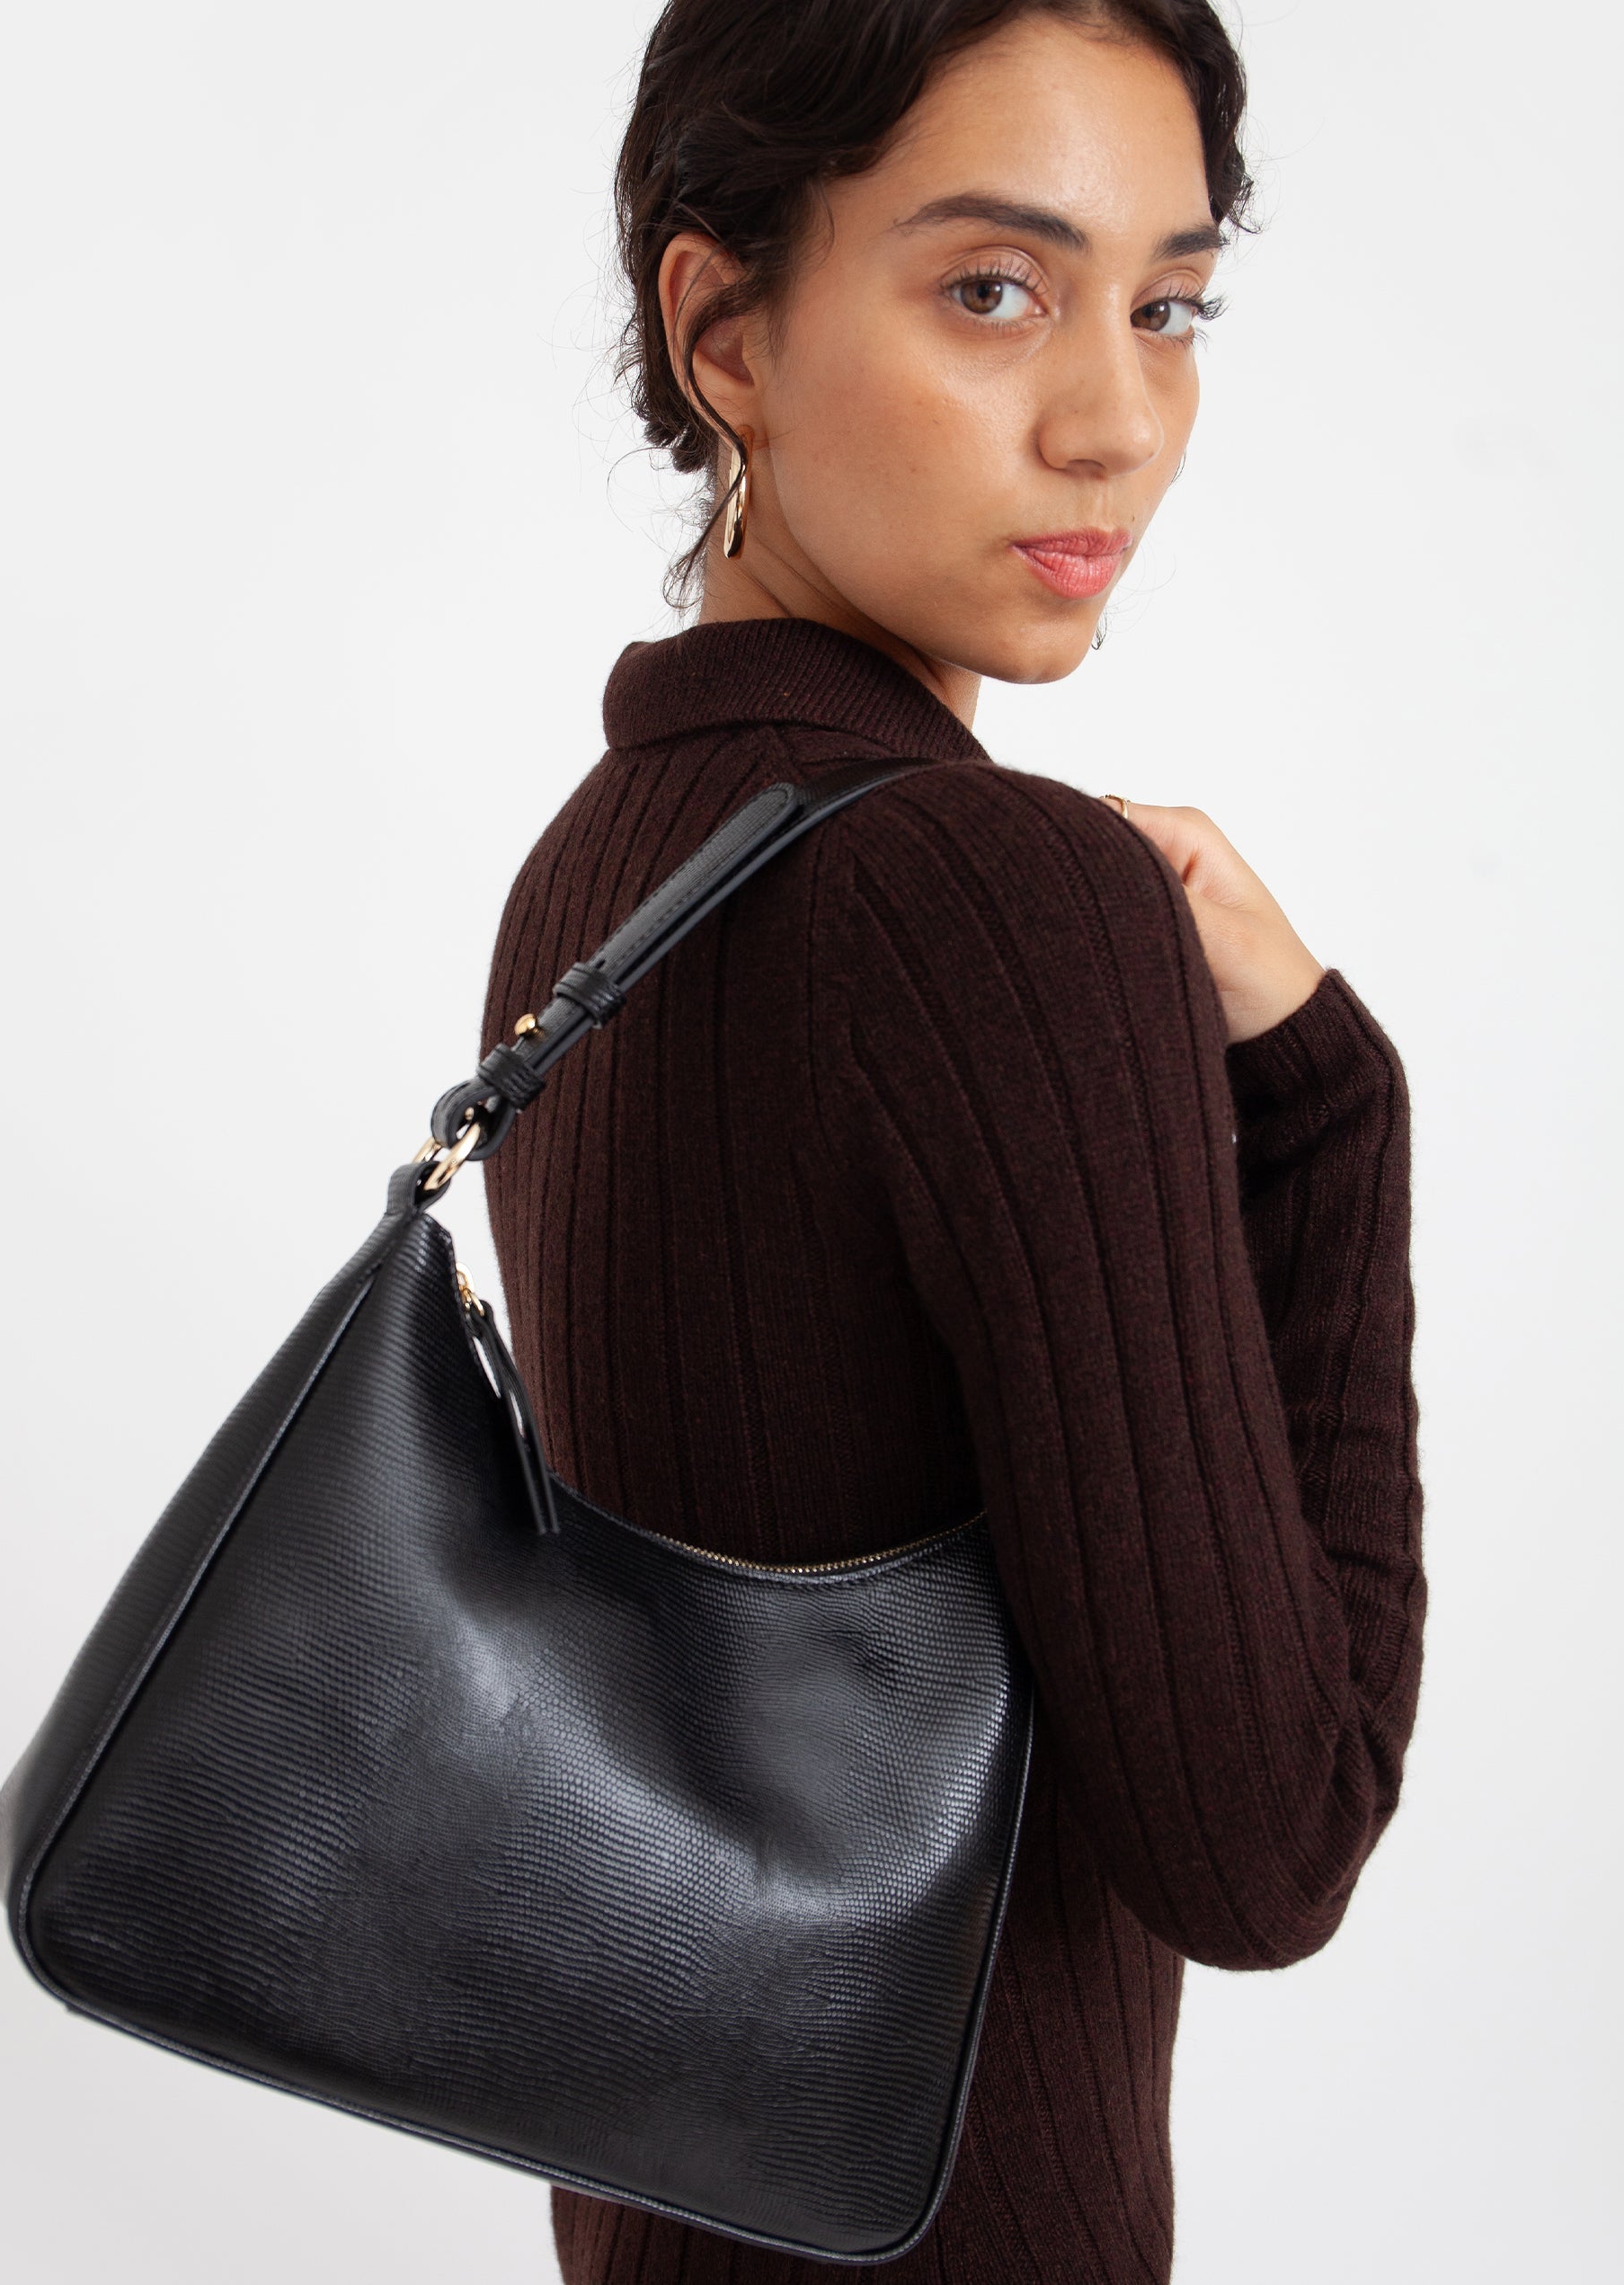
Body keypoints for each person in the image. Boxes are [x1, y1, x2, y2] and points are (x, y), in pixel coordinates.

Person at [477, 3, 1425, 2278]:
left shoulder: (592, 873)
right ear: (723, 329)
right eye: (993, 288)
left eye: (1168, 305)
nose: (1116, 419)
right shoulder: (1001, 897)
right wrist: (1329, 1102)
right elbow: (1265, 1845)